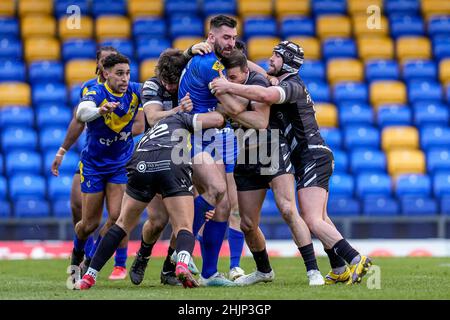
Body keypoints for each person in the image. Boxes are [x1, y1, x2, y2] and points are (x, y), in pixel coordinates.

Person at [210, 40, 373, 285]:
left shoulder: (293, 85)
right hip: (310, 155)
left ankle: (355, 258)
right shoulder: (280, 79)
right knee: (321, 218)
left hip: (311, 155)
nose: (270, 60)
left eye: (275, 56)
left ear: (286, 61)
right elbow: (253, 70)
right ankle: (339, 269)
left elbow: (264, 94)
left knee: (312, 219)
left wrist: (226, 85)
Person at [73, 103, 226, 290]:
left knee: (121, 224)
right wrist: (226, 114)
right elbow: (216, 120)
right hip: (171, 161)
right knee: (183, 226)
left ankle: (89, 276)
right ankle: (182, 264)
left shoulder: (151, 131)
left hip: (141, 161)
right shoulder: (181, 118)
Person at [212, 49, 324, 286]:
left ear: (245, 71)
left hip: (271, 148)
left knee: (287, 209)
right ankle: (264, 271)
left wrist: (229, 102)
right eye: (227, 78)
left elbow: (261, 123)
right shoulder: (238, 80)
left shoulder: (257, 81)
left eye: (233, 78)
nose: (229, 82)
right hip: (246, 154)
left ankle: (313, 270)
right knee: (247, 223)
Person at [53, 46, 144, 281]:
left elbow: (154, 101)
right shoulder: (93, 90)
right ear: (105, 72)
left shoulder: (135, 91)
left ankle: (92, 261)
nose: (125, 78)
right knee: (88, 224)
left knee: (116, 217)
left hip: (120, 164)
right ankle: (77, 254)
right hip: (93, 164)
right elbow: (81, 114)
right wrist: (98, 110)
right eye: (119, 73)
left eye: (127, 73)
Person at [129, 45, 212, 286]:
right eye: (165, 81)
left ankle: (169, 268)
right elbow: (153, 118)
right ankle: (143, 255)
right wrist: (179, 109)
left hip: (185, 154)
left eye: (172, 82)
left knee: (184, 219)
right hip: (157, 153)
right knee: (156, 221)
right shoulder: (152, 85)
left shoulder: (192, 82)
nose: (168, 86)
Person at [178, 14, 245, 286]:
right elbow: (235, 108)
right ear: (211, 37)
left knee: (224, 205)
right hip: (190, 138)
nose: (230, 43)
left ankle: (209, 273)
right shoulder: (208, 63)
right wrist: (258, 91)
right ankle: (180, 255)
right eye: (225, 37)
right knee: (215, 192)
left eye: (233, 37)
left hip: (209, 137)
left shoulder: (210, 60)